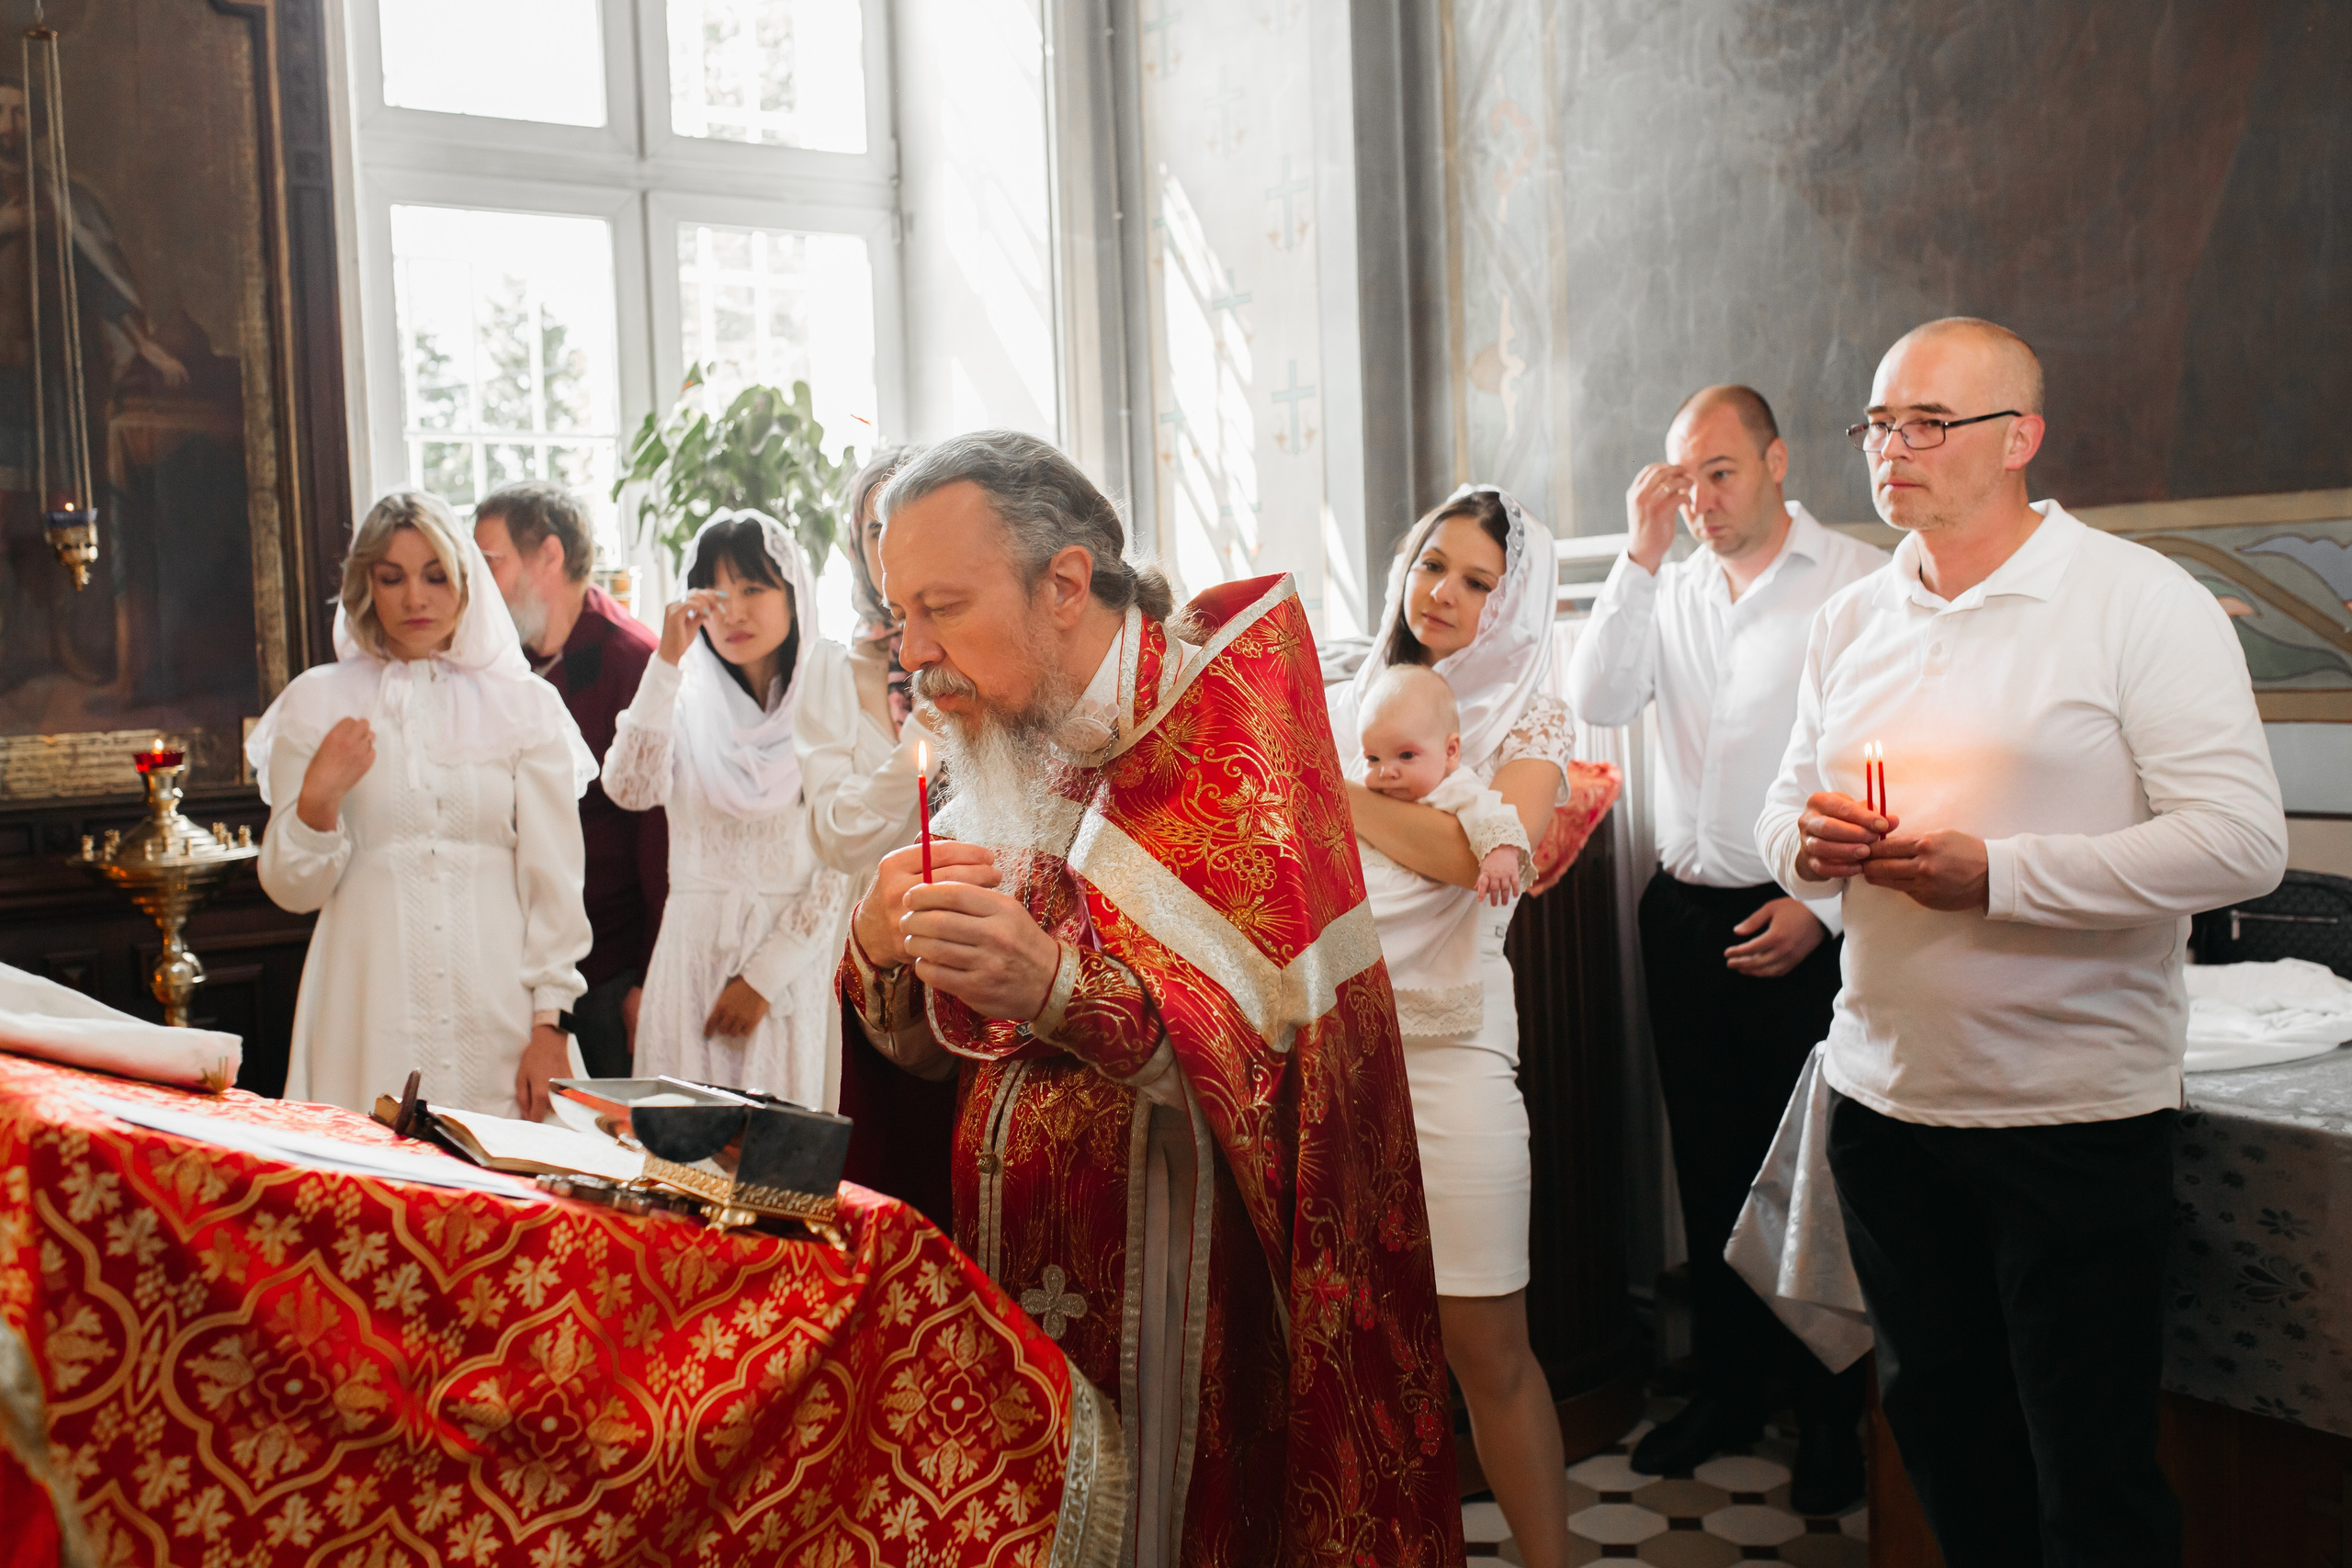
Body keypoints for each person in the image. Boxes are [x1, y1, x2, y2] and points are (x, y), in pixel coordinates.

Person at [840, 431, 1462, 1566]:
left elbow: (1292, 1069)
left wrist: (1059, 990)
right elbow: (935, 1049)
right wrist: (881, 947)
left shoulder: (1229, 739)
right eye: (897, 614)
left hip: (1199, 1294)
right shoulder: (990, 726)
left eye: (941, 607)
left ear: (1064, 583)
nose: (912, 653)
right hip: (1007, 1270)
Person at [1758, 318, 2287, 1566]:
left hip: (2071, 1111)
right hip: (1888, 1098)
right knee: (1947, 1440)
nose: (1894, 447)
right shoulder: (1850, 620)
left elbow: (2240, 842)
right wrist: (1813, 847)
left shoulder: (2132, 600)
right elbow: (1779, 815)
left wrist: (1999, 873)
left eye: (1929, 421)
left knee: (2090, 1473)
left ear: (2021, 440)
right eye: (1879, 422)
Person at [1564, 385, 1886, 1507]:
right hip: (1686, 913)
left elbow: (1883, 754)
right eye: (1682, 478)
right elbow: (1596, 692)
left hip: (1802, 914)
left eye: (1721, 471)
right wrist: (1640, 556)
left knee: (1812, 1171)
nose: (1700, 497)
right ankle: (1730, 1388)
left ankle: (1832, 1415)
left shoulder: (1854, 579)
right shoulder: (1672, 584)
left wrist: (1825, 911)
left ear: (1778, 460)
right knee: (1706, 1159)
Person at [1330, 483, 1570, 1568]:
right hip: (1331, 1053)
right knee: (1351, 1349)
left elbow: (1479, 858)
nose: (1444, 592)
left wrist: (1328, 796)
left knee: (1488, 1346)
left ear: (1511, 604)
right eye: (1433, 564)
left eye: (1478, 581)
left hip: (1453, 1053)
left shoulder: (1532, 720)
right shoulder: (1347, 697)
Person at [250, 491, 596, 1120]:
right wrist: (320, 796)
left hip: (503, 1018)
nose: (415, 598)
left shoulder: (526, 706)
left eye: (435, 576)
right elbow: (291, 888)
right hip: (366, 1016)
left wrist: (552, 1025)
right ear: (367, 587)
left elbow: (554, 881)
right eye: (393, 578)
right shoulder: (316, 702)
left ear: (465, 582)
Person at [603, 510, 854, 1110]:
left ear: (793, 596)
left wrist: (763, 978)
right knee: (678, 1169)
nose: (734, 612)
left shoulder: (828, 696)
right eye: (718, 594)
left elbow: (843, 856)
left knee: (775, 1175)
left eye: (753, 588)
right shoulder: (682, 700)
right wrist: (665, 662)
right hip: (688, 963)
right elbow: (630, 787)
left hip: (787, 976)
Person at [473, 481, 667, 1077]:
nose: (476, 585)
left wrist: (649, 982)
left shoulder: (633, 661)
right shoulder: (501, 664)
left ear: (549, 557)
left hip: (613, 970)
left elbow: (660, 837)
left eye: (490, 563)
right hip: (519, 969)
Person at [1356, 663, 1529, 1043]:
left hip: (1425, 936)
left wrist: (1499, 853)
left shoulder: (1455, 790)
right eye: (1373, 759)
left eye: (1405, 755)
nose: (1386, 772)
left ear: (1450, 751)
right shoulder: (1366, 793)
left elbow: (1493, 815)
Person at [802, 445, 925, 887]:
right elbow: (837, 840)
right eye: (878, 530)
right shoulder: (832, 673)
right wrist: (924, 732)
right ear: (856, 542)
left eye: (915, 525)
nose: (895, 546)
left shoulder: (987, 652)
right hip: (877, 927)